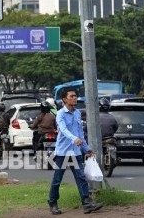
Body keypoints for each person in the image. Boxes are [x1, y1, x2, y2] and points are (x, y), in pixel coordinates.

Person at [48, 87, 103, 215]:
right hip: (63, 153)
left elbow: (80, 134)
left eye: (75, 96)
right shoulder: (60, 114)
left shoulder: (77, 113)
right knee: (57, 180)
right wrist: (74, 139)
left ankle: (87, 204)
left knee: (81, 178)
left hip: (76, 152)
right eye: (71, 96)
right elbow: (63, 129)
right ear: (64, 99)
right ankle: (52, 202)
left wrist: (86, 148)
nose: (74, 98)